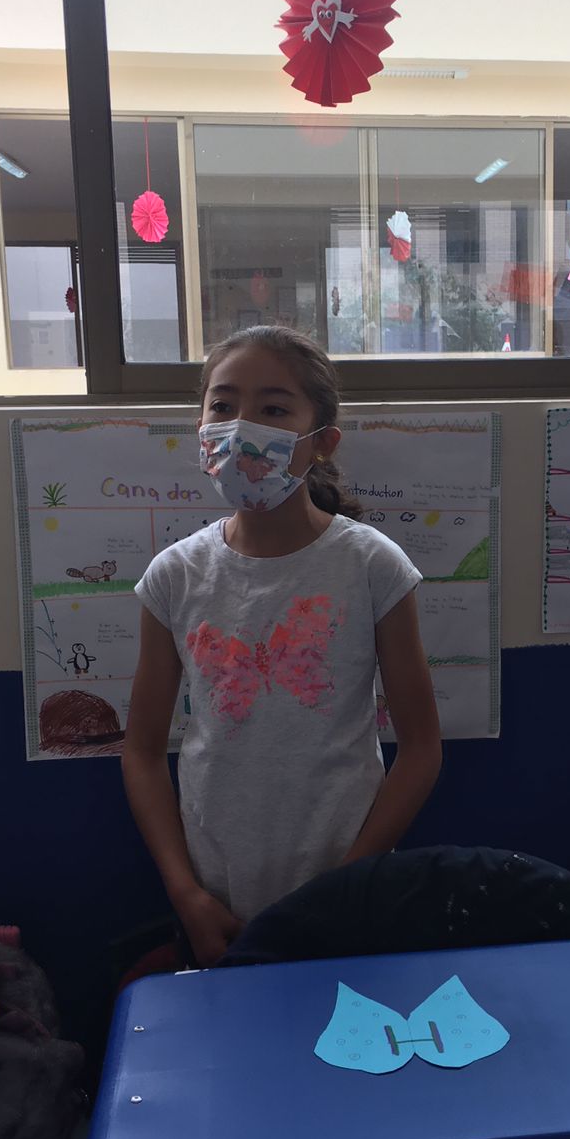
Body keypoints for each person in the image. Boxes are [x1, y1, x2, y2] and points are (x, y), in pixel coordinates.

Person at [122, 325, 442, 966]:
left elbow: (421, 748)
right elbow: (143, 752)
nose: (240, 427)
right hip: (216, 896)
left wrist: (348, 885)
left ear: (321, 442)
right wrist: (185, 893)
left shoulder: (371, 566)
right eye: (222, 404)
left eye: (272, 409)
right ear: (200, 426)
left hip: (347, 896)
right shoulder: (175, 576)